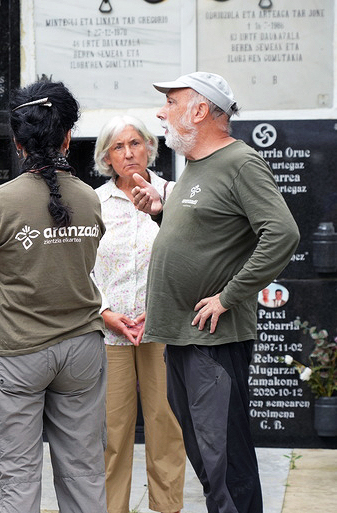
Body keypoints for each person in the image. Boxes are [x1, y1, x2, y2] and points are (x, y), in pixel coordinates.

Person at [131, 71, 300, 513]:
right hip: (183, 336)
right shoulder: (195, 166)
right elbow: (204, 238)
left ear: (200, 110)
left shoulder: (240, 162)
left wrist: (228, 296)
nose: (161, 113)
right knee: (208, 464)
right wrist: (159, 213)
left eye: (171, 102)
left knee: (227, 465)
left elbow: (282, 234)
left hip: (214, 343)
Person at [0, 81, 107, 513]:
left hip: (18, 348)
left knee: (18, 477)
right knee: (84, 473)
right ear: (67, 137)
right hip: (82, 347)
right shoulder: (90, 198)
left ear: (17, 140)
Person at [92, 115, 185, 513]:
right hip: (110, 332)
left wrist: (158, 309)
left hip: (160, 328)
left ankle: (167, 506)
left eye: (135, 143)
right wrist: (104, 311)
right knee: (112, 431)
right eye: (118, 147)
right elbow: (82, 267)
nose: (129, 153)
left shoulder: (174, 194)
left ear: (149, 147)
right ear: (106, 158)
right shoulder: (94, 202)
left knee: (166, 424)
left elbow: (186, 258)